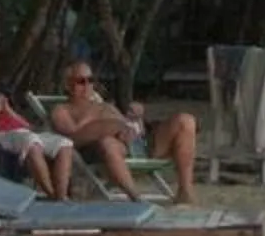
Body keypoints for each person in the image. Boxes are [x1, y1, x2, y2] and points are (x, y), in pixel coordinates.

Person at [50, 59, 201, 204]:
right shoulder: (62, 110)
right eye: (81, 81)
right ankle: (136, 198)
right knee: (107, 143)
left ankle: (185, 191)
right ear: (68, 85)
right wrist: (98, 117)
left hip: (140, 143)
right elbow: (73, 138)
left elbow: (128, 124)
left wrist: (137, 117)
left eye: (90, 80)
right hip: (113, 151)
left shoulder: (105, 106)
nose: (87, 85)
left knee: (185, 120)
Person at [0, 71, 73, 196]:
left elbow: (26, 125)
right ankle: (52, 195)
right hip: (1, 136)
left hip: (22, 133)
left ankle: (61, 195)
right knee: (31, 142)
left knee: (64, 144)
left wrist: (7, 110)